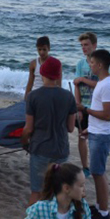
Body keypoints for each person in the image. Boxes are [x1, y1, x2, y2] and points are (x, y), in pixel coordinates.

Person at [22, 57, 77, 205]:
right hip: (60, 149)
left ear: (42, 73)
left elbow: (28, 128)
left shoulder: (33, 96)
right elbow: (71, 128)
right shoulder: (68, 96)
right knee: (59, 191)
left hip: (40, 148)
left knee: (37, 191)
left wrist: (24, 141)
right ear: (59, 75)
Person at [77, 49, 110, 219]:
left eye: (92, 63)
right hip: (97, 131)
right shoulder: (102, 83)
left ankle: (103, 212)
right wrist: (90, 129)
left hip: (103, 135)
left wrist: (84, 109)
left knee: (98, 172)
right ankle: (101, 205)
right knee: (97, 172)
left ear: (100, 65)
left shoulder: (108, 85)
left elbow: (107, 115)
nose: (90, 65)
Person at [73, 32, 99, 178]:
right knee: (81, 136)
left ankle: (96, 167)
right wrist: (78, 106)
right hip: (83, 106)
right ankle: (85, 167)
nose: (84, 48)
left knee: (95, 139)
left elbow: (102, 85)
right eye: (82, 45)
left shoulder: (100, 63)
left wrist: (83, 79)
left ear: (94, 45)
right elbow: (76, 85)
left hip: (96, 107)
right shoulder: (80, 64)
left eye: (86, 45)